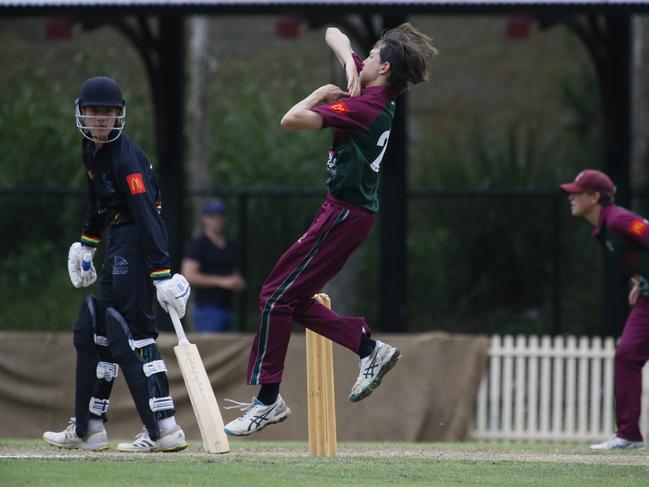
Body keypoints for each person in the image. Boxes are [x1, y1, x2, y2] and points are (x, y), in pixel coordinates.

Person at [223, 24, 438, 436]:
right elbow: (334, 32)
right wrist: (349, 64)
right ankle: (367, 347)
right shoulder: (374, 87)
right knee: (294, 299)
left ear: (386, 67)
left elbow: (291, 120)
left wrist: (322, 93)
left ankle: (267, 402)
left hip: (343, 214)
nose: (366, 56)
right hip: (347, 214)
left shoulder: (366, 107)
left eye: (373, 54)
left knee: (272, 297)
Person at [42, 76, 191, 452]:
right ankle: (91, 425)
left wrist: (162, 274)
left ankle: (165, 426)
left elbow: (147, 214)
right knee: (99, 332)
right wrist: (87, 244)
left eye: (108, 113)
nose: (101, 119)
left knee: (136, 333)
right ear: (82, 113)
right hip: (117, 244)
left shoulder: (126, 158)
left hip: (137, 244)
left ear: (118, 116)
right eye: (94, 112)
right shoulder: (91, 149)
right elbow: (99, 203)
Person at [561, 169, 649, 450]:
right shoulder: (602, 228)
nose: (570, 198)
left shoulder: (620, 220)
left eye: (577, 192)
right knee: (626, 355)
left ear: (595, 197)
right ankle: (628, 435)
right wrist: (640, 280)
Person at [181, 199, 246, 332]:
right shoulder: (199, 244)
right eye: (213, 216)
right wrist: (222, 282)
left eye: (220, 216)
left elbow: (235, 273)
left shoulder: (230, 246)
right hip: (207, 309)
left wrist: (238, 283)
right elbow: (189, 275)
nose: (217, 220)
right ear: (205, 219)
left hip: (228, 308)